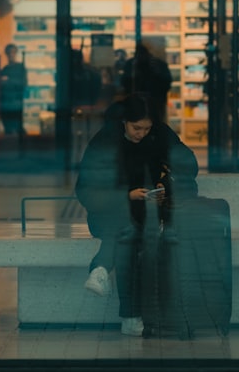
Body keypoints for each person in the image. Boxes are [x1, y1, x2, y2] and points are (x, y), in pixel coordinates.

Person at [74, 93, 198, 337]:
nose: (141, 133)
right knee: (129, 233)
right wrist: (126, 196)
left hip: (149, 212)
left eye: (146, 128)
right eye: (136, 128)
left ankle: (101, 271)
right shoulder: (106, 142)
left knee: (131, 234)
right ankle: (131, 316)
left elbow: (188, 165)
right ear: (123, 122)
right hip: (109, 213)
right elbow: (87, 191)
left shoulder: (159, 134)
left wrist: (165, 186)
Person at [120, 40, 173, 123]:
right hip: (138, 103)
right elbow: (125, 83)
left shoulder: (157, 65)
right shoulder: (131, 64)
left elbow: (166, 84)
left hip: (154, 104)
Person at [0, 43, 27, 136]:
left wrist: (8, 81)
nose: (11, 55)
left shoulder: (20, 68)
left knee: (17, 128)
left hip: (16, 103)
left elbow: (23, 84)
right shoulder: (5, 69)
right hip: (6, 104)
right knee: (8, 129)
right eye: (9, 53)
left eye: (13, 52)